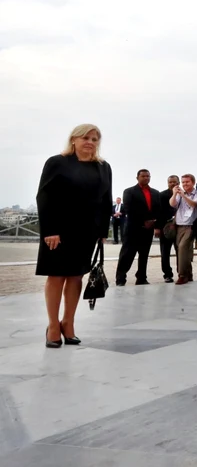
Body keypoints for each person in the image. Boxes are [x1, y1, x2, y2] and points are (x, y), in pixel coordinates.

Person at [36, 124, 113, 348]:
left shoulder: (103, 167)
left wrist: (102, 231)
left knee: (76, 276)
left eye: (95, 138)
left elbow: (106, 200)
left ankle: (68, 323)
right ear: (73, 140)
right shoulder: (57, 162)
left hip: (86, 231)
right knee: (56, 276)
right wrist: (50, 230)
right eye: (85, 137)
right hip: (58, 231)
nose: (90, 142)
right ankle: (52, 325)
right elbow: (44, 196)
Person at [116, 170, 162, 286]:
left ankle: (141, 277)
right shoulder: (129, 191)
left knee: (144, 254)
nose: (146, 178)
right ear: (137, 177)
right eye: (143, 176)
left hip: (148, 229)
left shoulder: (155, 193)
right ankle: (121, 278)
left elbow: (158, 209)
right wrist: (143, 221)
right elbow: (128, 209)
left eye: (148, 176)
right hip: (133, 229)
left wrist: (154, 222)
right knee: (127, 254)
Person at [169, 174, 197, 284]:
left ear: (193, 182)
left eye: (187, 182)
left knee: (182, 247)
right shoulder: (179, 194)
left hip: (191, 225)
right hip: (180, 225)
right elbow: (172, 204)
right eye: (183, 182)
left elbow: (194, 204)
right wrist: (174, 194)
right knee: (182, 250)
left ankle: (182, 275)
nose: (185, 184)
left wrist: (184, 196)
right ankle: (189, 274)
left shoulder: (196, 193)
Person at [157, 175, 180, 283]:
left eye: (174, 182)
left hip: (180, 227)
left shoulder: (183, 194)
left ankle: (182, 273)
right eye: (170, 182)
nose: (172, 184)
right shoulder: (161, 195)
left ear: (178, 182)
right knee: (165, 252)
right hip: (165, 227)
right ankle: (167, 274)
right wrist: (157, 228)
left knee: (180, 251)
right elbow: (158, 212)